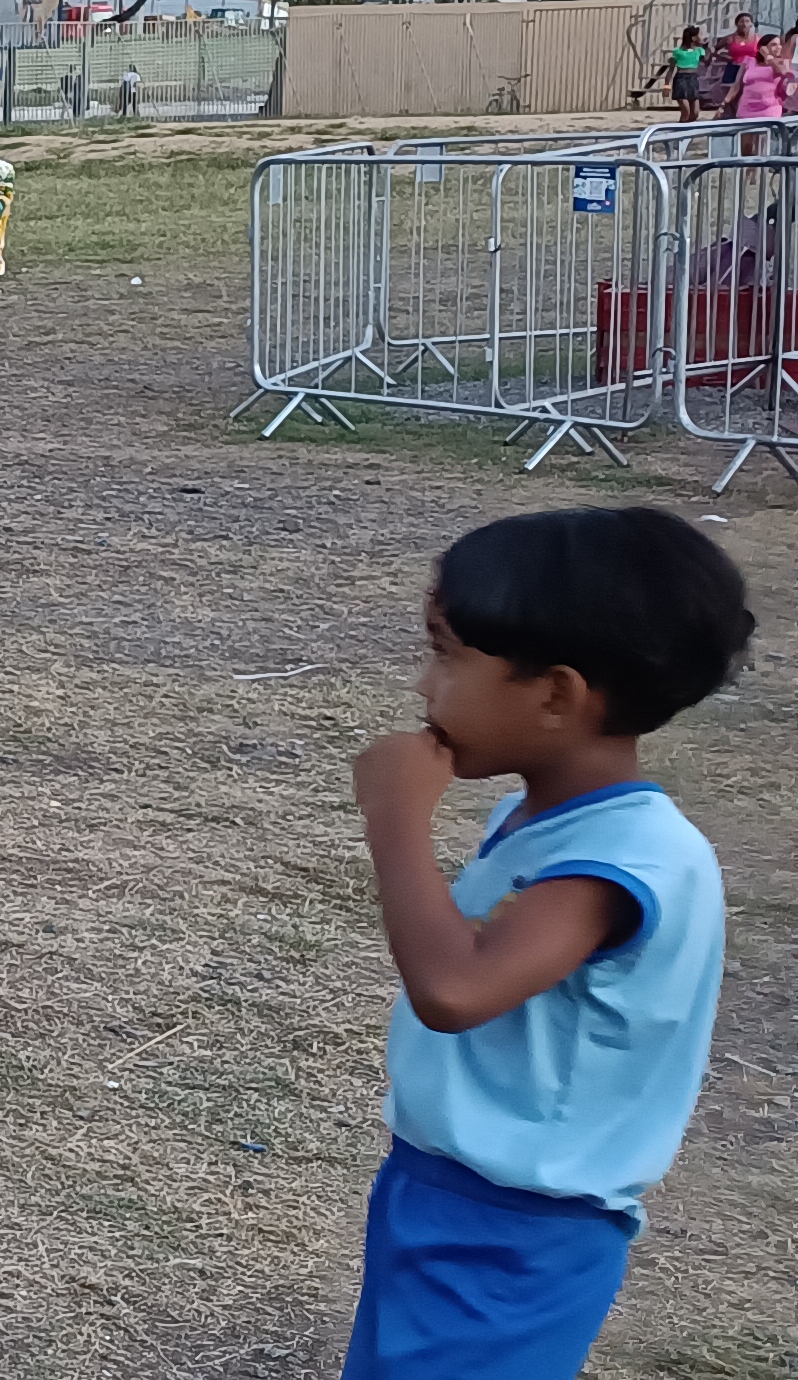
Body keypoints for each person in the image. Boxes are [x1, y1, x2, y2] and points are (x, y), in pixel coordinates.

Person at [341, 508, 750, 1379]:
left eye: (448, 654)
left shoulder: (619, 859)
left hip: (516, 1232)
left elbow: (455, 990)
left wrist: (395, 820)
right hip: (442, 1188)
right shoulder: (543, 819)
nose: (425, 686)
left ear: (557, 694)